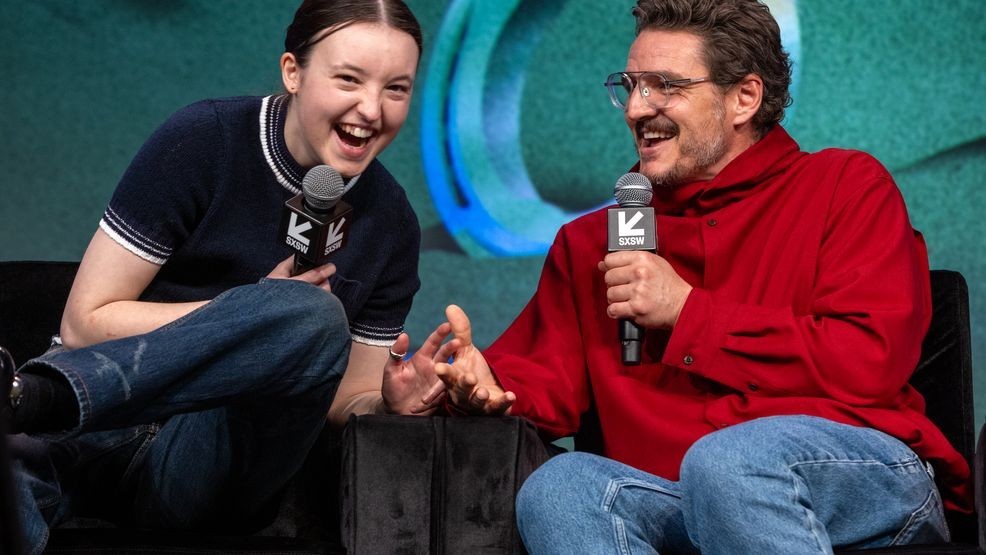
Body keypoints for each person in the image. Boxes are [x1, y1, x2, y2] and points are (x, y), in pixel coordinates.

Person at [431, 0, 971, 552]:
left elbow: (868, 361)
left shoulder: (845, 187)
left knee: (728, 463)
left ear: (744, 98)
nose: (637, 109)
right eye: (630, 85)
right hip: (676, 498)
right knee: (560, 487)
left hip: (859, 481)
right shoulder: (594, 241)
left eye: (664, 85)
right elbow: (544, 378)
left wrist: (690, 314)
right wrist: (481, 386)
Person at [1, 1, 451, 552]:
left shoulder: (394, 225)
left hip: (206, 465)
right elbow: (83, 324)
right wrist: (253, 307)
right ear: (293, 72)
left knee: (311, 314)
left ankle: (39, 397)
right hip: (89, 424)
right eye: (348, 80)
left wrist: (387, 402)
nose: (371, 108)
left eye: (397, 89)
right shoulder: (206, 139)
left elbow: (345, 399)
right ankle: (34, 403)